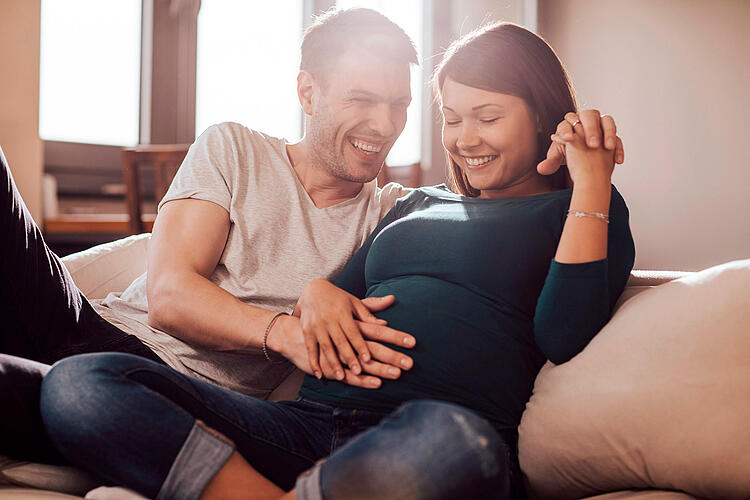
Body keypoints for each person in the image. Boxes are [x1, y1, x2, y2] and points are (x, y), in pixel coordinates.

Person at [39, 21, 635, 500]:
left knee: (459, 446)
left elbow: (565, 333)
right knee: (82, 383)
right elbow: (331, 293)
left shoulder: (583, 211)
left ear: (541, 115)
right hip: (305, 426)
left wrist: (590, 185)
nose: (464, 139)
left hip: (423, 431)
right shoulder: (416, 204)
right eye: (452, 119)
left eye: (488, 117)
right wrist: (316, 295)